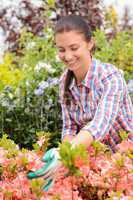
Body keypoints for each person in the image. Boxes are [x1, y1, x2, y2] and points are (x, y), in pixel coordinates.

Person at [27, 14, 133, 191]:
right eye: (61, 50)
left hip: (126, 161)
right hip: (97, 164)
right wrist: (66, 160)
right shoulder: (65, 83)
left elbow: (100, 124)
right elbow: (69, 128)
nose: (67, 56)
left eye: (74, 47)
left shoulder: (110, 78)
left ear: (90, 44)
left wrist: (64, 153)